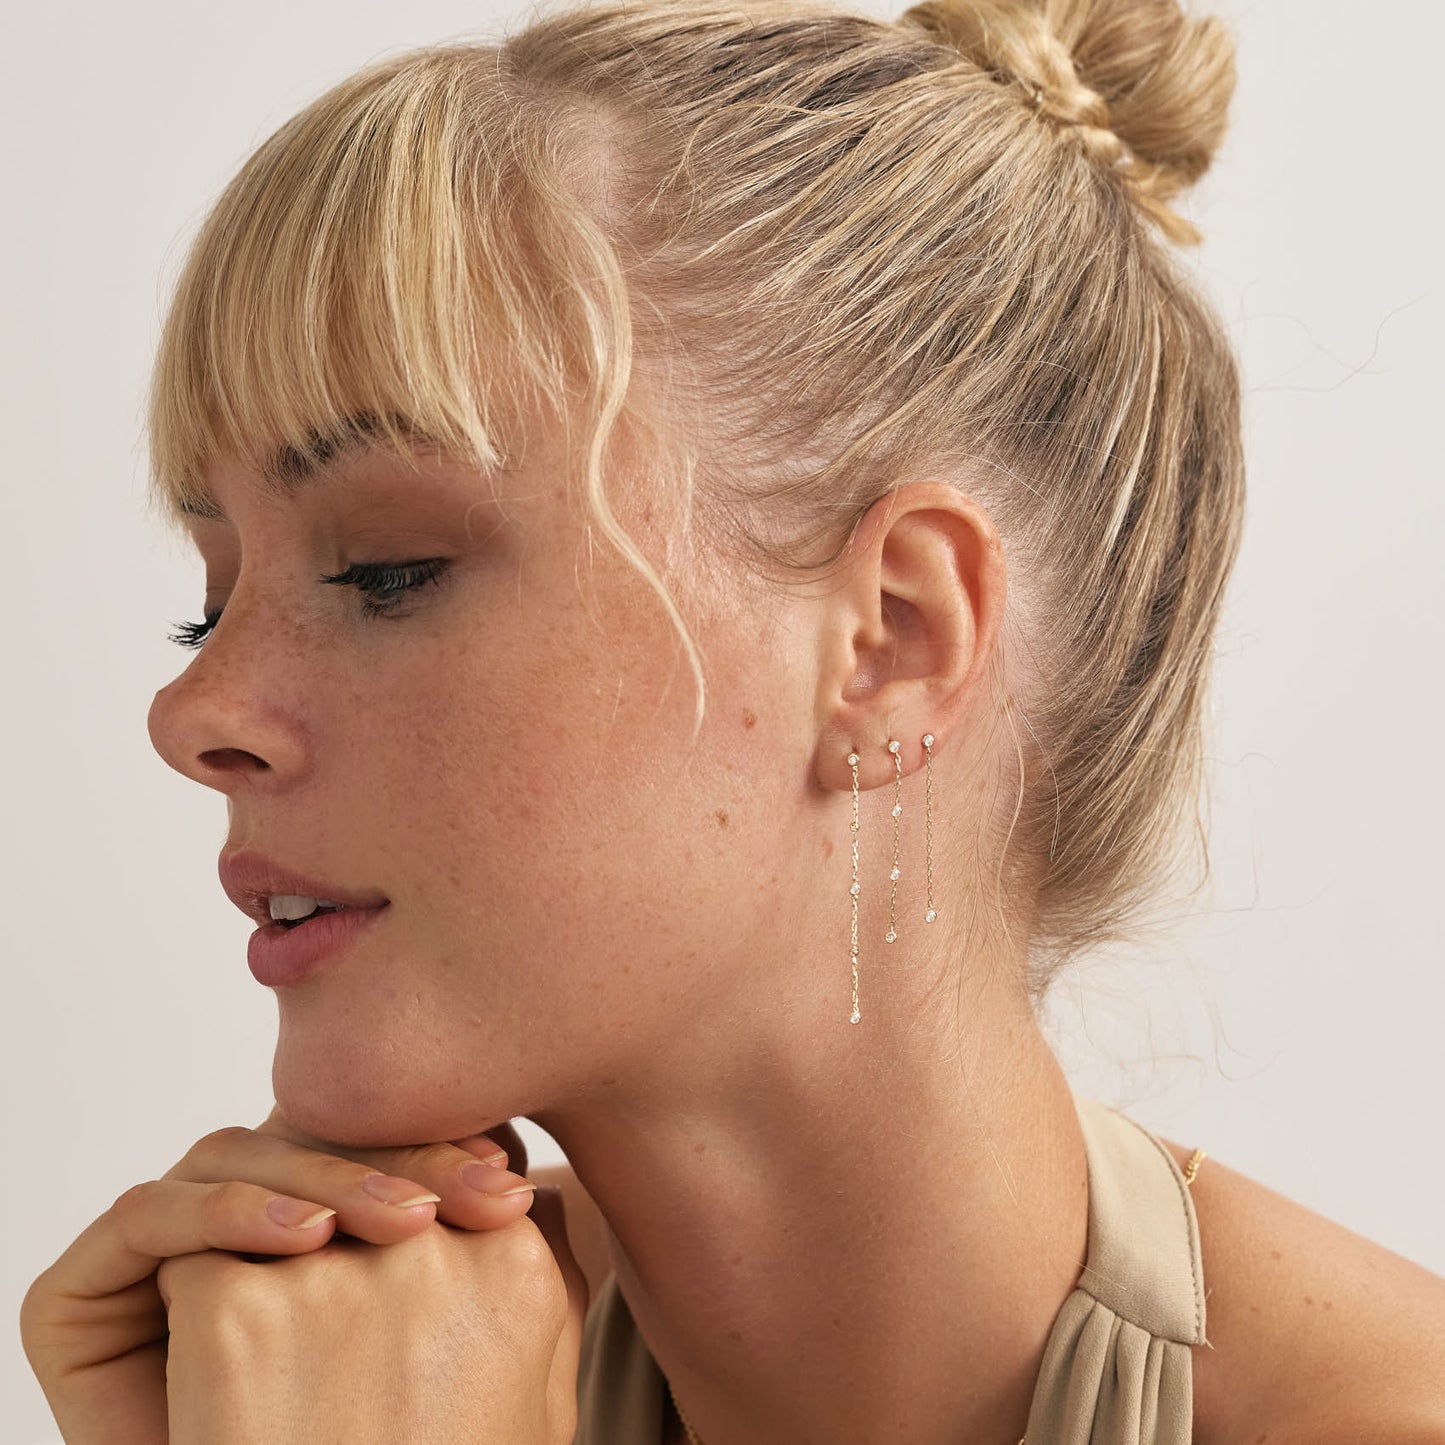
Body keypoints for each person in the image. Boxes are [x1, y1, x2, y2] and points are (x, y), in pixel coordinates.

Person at [19, 0, 1445, 1439]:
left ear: (890, 639)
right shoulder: (320, 1375)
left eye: (387, 570)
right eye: (211, 604)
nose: (194, 711)